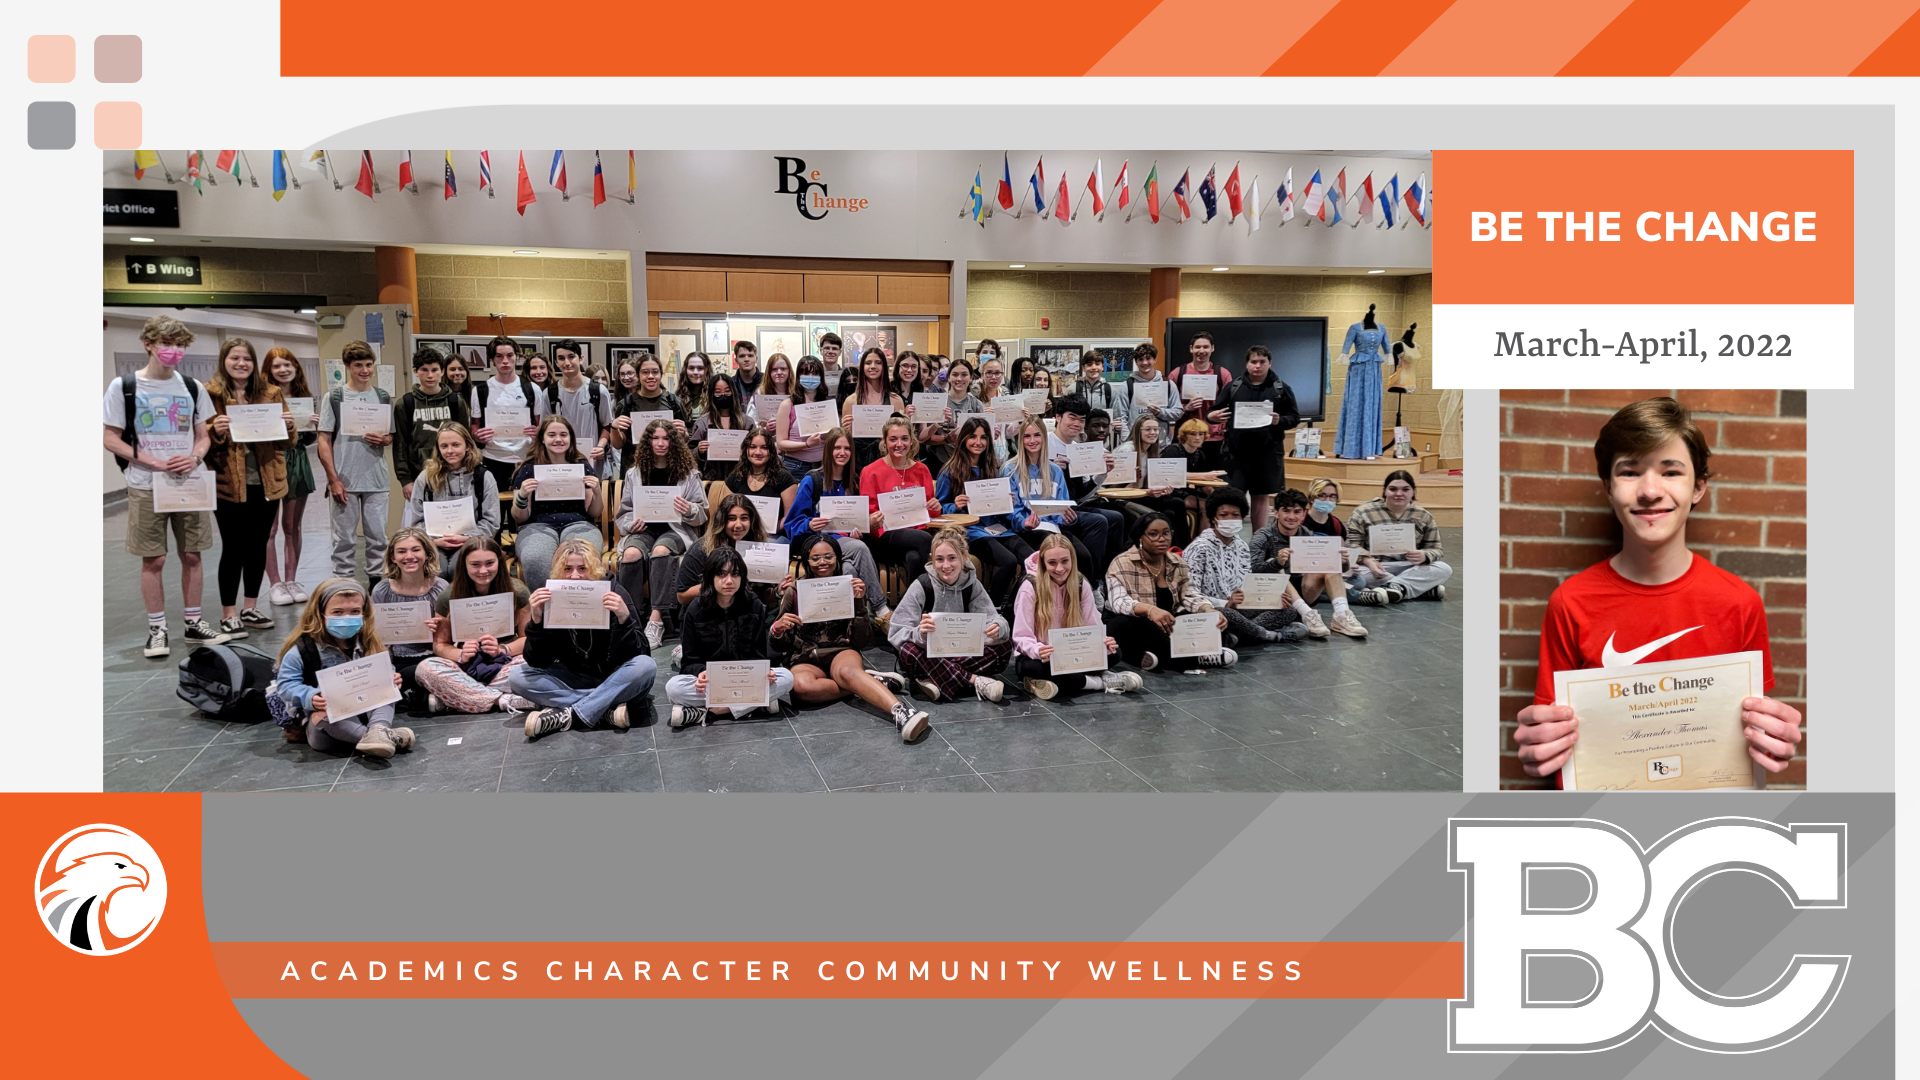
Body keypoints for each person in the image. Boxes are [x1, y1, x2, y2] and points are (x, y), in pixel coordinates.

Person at [1513, 397, 1803, 782]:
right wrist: (1542, 746)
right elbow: (1555, 739)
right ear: (1608, 486)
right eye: (1630, 472)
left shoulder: (1739, 603)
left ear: (1698, 487)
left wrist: (1772, 739)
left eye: (1670, 472)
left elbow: (1754, 734)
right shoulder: (1571, 602)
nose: (1650, 491)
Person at [105, 315, 230, 656]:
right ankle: (157, 628)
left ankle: (193, 623)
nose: (173, 350)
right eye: (166, 343)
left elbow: (203, 435)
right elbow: (110, 438)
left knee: (192, 554)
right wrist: (154, 462)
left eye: (179, 345)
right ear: (148, 344)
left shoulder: (192, 387)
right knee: (154, 559)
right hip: (146, 483)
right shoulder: (124, 386)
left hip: (187, 482)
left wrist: (193, 457)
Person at [771, 532, 930, 741]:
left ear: (837, 558)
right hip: (806, 657)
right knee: (800, 688)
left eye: (828, 556)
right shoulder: (794, 591)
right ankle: (865, 683)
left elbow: (861, 640)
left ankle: (902, 712)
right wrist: (778, 629)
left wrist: (859, 603)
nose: (822, 563)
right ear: (807, 561)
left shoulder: (850, 587)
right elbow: (779, 642)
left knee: (846, 671)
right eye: (815, 558)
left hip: (840, 651)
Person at [512, 538, 657, 739]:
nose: (574, 576)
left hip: (612, 675)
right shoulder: (550, 596)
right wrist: (536, 622)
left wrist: (624, 619)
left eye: (582, 568)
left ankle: (569, 713)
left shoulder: (614, 592)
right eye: (567, 569)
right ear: (557, 572)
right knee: (517, 678)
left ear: (594, 569)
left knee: (646, 667)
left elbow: (640, 654)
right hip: (574, 676)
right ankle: (602, 709)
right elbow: (538, 661)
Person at [204, 336, 295, 638]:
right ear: (224, 361)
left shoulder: (270, 393)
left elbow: (287, 442)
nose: (241, 364)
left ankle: (250, 607)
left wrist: (289, 426)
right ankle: (228, 613)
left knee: (257, 545)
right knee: (233, 547)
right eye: (235, 358)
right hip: (227, 484)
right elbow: (198, 438)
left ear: (254, 364)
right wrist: (212, 431)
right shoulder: (209, 394)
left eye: (246, 359)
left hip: (266, 482)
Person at [272, 577, 412, 757]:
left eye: (355, 611)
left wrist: (391, 677)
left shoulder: (369, 641)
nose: (347, 618)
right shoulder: (302, 650)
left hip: (364, 710)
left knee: (386, 689)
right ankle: (382, 738)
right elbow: (285, 686)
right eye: (337, 612)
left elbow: (384, 668)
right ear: (320, 613)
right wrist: (310, 696)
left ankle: (379, 730)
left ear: (364, 613)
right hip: (328, 728)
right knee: (323, 714)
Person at [666, 546, 794, 728]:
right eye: (721, 574)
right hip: (712, 681)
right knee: (674, 687)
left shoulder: (754, 605)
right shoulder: (695, 609)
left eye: (735, 574)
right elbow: (690, 661)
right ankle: (754, 706)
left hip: (744, 678)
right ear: (711, 577)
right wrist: (700, 672)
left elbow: (758, 654)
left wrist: (764, 673)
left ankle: (708, 712)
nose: (729, 581)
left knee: (786, 677)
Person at [889, 526, 1015, 703]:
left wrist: (998, 627)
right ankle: (974, 680)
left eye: (952, 558)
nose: (946, 566)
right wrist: (920, 633)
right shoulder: (922, 585)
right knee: (908, 652)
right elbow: (896, 631)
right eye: (939, 559)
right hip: (932, 653)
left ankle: (935, 678)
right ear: (932, 560)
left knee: (1005, 646)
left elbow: (993, 618)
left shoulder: (973, 585)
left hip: (960, 652)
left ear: (964, 557)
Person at [1183, 486, 1322, 646]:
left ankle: (1235, 636)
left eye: (1235, 515)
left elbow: (1248, 587)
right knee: (1229, 615)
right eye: (1223, 515)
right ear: (1213, 518)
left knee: (1288, 610)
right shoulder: (1198, 548)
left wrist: (1271, 599)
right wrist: (1225, 603)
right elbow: (1189, 594)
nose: (1230, 519)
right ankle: (1272, 636)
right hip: (1211, 610)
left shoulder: (1241, 546)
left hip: (1240, 609)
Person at [779, 428, 892, 624]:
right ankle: (881, 608)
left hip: (842, 543)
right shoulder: (812, 480)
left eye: (847, 448)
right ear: (828, 450)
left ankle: (846, 625)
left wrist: (858, 530)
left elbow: (853, 523)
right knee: (858, 548)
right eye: (837, 448)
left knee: (848, 570)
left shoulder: (853, 482)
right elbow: (791, 525)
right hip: (816, 542)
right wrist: (810, 523)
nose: (842, 453)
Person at [613, 419, 709, 649]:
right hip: (643, 529)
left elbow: (702, 514)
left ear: (674, 442)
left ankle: (657, 619)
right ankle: (631, 616)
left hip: (674, 530)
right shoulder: (634, 474)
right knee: (631, 554)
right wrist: (629, 525)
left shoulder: (688, 473)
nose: (661, 443)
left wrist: (689, 510)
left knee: (661, 550)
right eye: (655, 438)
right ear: (647, 442)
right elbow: (623, 512)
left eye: (666, 438)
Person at [414, 536, 535, 715]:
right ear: (464, 565)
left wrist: (502, 649)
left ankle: (459, 696)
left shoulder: (518, 591)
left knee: (536, 664)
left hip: (506, 662)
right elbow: (440, 645)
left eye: (489, 563)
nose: (483, 570)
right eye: (475, 565)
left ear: (499, 562)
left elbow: (528, 639)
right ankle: (501, 700)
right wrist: (461, 654)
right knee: (425, 668)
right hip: (467, 666)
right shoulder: (449, 595)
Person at [1012, 534, 1142, 700]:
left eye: (1064, 561)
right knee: (1039, 668)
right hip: (1041, 655)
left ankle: (1061, 681)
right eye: (1052, 563)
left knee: (1115, 653)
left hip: (1071, 651)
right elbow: (1021, 636)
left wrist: (1103, 642)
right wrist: (1037, 650)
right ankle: (1101, 682)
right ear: (1043, 563)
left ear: (1072, 559)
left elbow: (1092, 626)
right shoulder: (1030, 587)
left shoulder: (1081, 583)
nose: (1059, 569)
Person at [1103, 512, 1235, 672]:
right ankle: (1198, 657)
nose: (1161, 538)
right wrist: (1150, 610)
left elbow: (1189, 594)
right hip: (1134, 624)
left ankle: (1150, 657)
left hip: (1166, 624)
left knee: (1213, 618)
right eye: (1153, 534)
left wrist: (1207, 610)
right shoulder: (1121, 563)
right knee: (1131, 625)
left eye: (1166, 533)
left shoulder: (1176, 562)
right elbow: (1118, 602)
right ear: (1140, 537)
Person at [316, 341, 394, 586]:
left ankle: (377, 586)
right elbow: (324, 439)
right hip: (345, 479)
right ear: (347, 366)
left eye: (369, 365)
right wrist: (333, 480)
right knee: (344, 539)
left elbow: (390, 435)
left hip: (376, 479)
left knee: (378, 537)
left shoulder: (382, 396)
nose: (365, 370)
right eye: (358, 365)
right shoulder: (335, 397)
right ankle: (343, 586)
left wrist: (384, 439)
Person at [934, 416, 1032, 603]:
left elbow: (1001, 512)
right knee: (1008, 562)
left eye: (983, 437)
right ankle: (990, 608)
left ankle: (1013, 607)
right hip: (972, 531)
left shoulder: (992, 468)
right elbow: (939, 510)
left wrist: (1006, 502)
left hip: (998, 528)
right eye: (973, 437)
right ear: (963, 439)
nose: (978, 442)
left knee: (1031, 560)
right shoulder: (950, 471)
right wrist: (955, 505)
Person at [1251, 487, 1368, 638]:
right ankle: (1307, 614)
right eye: (1286, 511)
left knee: (1328, 564)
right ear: (1276, 513)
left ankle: (1341, 614)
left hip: (1304, 589)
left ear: (1303, 514)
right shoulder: (1263, 536)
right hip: (1273, 593)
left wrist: (1343, 562)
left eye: (1297, 511)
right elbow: (1251, 569)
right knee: (1275, 568)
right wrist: (1277, 562)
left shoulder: (1306, 534)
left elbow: (1337, 569)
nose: (1291, 516)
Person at [508, 414, 605, 590]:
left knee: (583, 557)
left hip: (579, 524)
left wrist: (597, 491)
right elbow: (520, 518)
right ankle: (544, 611)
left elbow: (594, 513)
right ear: (542, 439)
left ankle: (582, 605)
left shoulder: (582, 466)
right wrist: (522, 496)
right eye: (552, 435)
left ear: (571, 439)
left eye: (563, 434)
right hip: (537, 526)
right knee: (534, 558)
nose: (558, 439)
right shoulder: (528, 469)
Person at [1209, 344, 1299, 531]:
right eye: (1253, 361)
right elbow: (1212, 412)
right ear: (1247, 364)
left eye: (1262, 362)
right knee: (1231, 497)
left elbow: (1294, 418)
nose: (1257, 365)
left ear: (1270, 363)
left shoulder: (1281, 388)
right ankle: (1228, 539)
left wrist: (1279, 420)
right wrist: (1213, 417)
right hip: (1236, 454)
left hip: (1266, 454)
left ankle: (1258, 541)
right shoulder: (1234, 386)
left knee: (1260, 496)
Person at [1003, 417, 1096, 581]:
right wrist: (1023, 523)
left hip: (1053, 529)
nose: (1032, 441)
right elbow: (1009, 511)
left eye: (1037, 435)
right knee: (1052, 558)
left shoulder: (1054, 470)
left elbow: (1062, 505)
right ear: (1020, 440)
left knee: (1084, 556)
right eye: (1027, 436)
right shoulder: (1010, 470)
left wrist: (1067, 518)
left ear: (1044, 437)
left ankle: (1088, 595)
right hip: (1026, 530)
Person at [402, 422, 500, 576]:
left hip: (471, 541)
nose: (450, 451)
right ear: (438, 449)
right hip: (433, 542)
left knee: (459, 568)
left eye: (456, 445)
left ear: (467, 446)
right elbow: (416, 521)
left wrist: (466, 538)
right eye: (444, 446)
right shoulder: (425, 478)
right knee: (436, 569)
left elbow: (491, 521)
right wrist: (433, 541)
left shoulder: (483, 477)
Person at [263, 346, 319, 607]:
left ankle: (291, 580)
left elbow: (307, 439)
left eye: (288, 365)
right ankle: (274, 583)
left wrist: (313, 427)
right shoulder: (260, 398)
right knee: (269, 528)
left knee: (292, 526)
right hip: (271, 460)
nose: (283, 370)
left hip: (297, 460)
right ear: (268, 370)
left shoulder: (303, 397)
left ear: (296, 368)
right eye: (277, 366)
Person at [1344, 470, 1453, 604]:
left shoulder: (1424, 516)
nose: (1399, 494)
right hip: (1375, 568)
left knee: (1443, 568)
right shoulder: (1363, 512)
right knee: (1355, 576)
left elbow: (1436, 549)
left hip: (1409, 567)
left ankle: (1393, 588)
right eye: (1393, 489)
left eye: (1405, 489)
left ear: (1413, 492)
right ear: (1384, 491)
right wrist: (1368, 561)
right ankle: (1415, 590)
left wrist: (1424, 555)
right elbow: (1352, 545)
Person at [371, 526, 450, 707]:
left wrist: (441, 628)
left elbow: (452, 637)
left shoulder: (441, 587)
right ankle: (424, 694)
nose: (409, 557)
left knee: (433, 670)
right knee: (391, 678)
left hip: (434, 655)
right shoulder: (382, 591)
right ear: (393, 557)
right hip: (397, 659)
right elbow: (377, 641)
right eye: (401, 551)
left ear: (428, 554)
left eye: (416, 550)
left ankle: (419, 694)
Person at [858, 416, 941, 584]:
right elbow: (869, 515)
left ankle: (914, 605)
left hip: (917, 536)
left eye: (904, 439)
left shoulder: (922, 470)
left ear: (911, 441)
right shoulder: (870, 471)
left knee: (914, 559)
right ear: (884, 441)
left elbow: (929, 512)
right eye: (893, 439)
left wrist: (935, 507)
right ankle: (939, 594)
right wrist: (874, 519)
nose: (899, 444)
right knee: (925, 540)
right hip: (885, 537)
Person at [1046, 397, 1123, 575]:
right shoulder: (1043, 443)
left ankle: (1110, 575)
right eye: (1072, 418)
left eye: (1081, 420)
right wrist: (1051, 467)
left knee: (1116, 518)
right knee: (1098, 521)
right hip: (1049, 510)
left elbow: (1080, 496)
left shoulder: (1078, 448)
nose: (1077, 424)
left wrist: (1102, 474)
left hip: (1072, 507)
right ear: (1058, 418)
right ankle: (1091, 580)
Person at [392, 343, 470, 500]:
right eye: (424, 370)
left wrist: (466, 471)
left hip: (452, 473)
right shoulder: (405, 404)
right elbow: (400, 444)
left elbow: (466, 441)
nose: (430, 375)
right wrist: (405, 480)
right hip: (418, 474)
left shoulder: (455, 402)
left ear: (442, 372)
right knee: (421, 522)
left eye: (434, 370)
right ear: (415, 371)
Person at [468, 336, 545, 497]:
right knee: (493, 512)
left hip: (524, 459)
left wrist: (538, 433)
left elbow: (539, 425)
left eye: (509, 355)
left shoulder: (532, 389)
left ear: (517, 357)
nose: (505, 361)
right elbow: (474, 425)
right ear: (492, 359)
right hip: (492, 459)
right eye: (499, 356)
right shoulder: (480, 391)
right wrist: (477, 435)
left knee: (523, 512)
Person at [1114, 415, 1190, 545]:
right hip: (1124, 497)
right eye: (1148, 429)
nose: (1153, 433)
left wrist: (1161, 488)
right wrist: (1148, 492)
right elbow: (1116, 487)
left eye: (1155, 429)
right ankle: (1175, 549)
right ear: (1138, 431)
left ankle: (1183, 549)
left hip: (1141, 494)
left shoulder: (1151, 450)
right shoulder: (1128, 450)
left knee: (1176, 503)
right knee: (1169, 512)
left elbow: (1147, 484)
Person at [546, 340, 616, 480]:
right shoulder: (549, 393)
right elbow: (545, 430)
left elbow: (608, 425)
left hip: (592, 463)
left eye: (571, 356)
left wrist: (601, 446)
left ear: (581, 359)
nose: (567, 362)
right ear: (556, 362)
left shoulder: (598, 391)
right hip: (560, 465)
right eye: (561, 358)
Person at [609, 353, 688, 474]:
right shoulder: (626, 404)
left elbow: (684, 440)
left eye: (655, 371)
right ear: (637, 375)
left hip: (669, 469)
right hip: (635, 469)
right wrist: (614, 427)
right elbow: (618, 444)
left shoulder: (674, 402)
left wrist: (683, 433)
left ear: (661, 374)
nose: (650, 376)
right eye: (645, 372)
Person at [1333, 304, 1391, 460]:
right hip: (1358, 369)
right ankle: (1350, 448)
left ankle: (1369, 448)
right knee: (1355, 404)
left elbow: (1387, 349)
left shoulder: (1382, 328)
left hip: (1374, 370)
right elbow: (1345, 349)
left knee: (1371, 404)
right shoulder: (1354, 328)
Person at [839, 346, 904, 471]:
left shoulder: (896, 400)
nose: (873, 366)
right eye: (868, 363)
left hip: (888, 460)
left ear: (884, 367)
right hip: (858, 462)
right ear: (862, 367)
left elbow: (902, 434)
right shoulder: (851, 401)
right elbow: (845, 441)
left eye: (878, 362)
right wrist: (846, 430)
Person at [1167, 330, 1229, 456]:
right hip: (1185, 436)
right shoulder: (1177, 374)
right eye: (1197, 347)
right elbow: (1167, 406)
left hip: (1213, 437)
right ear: (1191, 349)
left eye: (1206, 347)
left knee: (1212, 474)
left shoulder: (1222, 374)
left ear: (1212, 348)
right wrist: (1186, 408)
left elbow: (1229, 405)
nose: (1202, 351)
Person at [918, 355, 984, 470]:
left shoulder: (976, 404)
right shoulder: (936, 401)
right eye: (955, 375)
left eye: (964, 375)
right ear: (948, 377)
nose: (959, 379)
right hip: (939, 463)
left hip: (969, 463)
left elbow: (983, 436)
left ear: (971, 377)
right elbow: (924, 438)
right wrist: (946, 438)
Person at [725, 428, 799, 527]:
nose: (758, 452)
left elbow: (790, 517)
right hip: (741, 532)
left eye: (764, 447)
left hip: (774, 535)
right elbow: (725, 513)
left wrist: (773, 529)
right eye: (752, 447)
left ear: (771, 451)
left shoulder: (784, 478)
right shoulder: (735, 477)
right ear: (746, 450)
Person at [1113, 343, 1181, 450]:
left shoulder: (1168, 384)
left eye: (1148, 358)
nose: (1144, 363)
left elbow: (1178, 412)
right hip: (1135, 446)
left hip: (1162, 446)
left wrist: (1160, 412)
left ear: (1155, 359)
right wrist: (1128, 442)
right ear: (1136, 362)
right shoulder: (1126, 386)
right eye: (1140, 359)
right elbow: (1121, 418)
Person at [774, 354, 833, 476]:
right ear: (799, 377)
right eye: (806, 374)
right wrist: (806, 444)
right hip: (796, 466)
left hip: (823, 465)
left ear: (821, 377)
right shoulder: (788, 405)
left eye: (815, 374)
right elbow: (781, 443)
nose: (810, 378)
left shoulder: (827, 405)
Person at [691, 371, 751, 473]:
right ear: (711, 394)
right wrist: (699, 451)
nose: (723, 395)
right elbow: (689, 453)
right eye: (718, 392)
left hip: (741, 477)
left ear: (733, 392)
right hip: (711, 480)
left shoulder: (746, 421)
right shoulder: (702, 423)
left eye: (727, 391)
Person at [1068, 351, 1122, 447]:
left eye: (1097, 364)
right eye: (1089, 364)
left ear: (1102, 367)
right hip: (1077, 443)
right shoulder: (1073, 389)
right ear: (1083, 368)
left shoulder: (1110, 391)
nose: (1093, 368)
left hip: (1103, 445)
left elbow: (1117, 418)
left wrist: (1118, 426)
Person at [674, 349, 710, 421]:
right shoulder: (678, 397)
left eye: (700, 368)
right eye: (691, 368)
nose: (695, 372)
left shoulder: (714, 395)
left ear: (707, 370)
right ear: (686, 370)